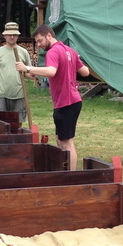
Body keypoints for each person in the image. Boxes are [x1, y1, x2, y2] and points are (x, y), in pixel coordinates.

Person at [15, 24, 89, 170]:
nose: (39, 45)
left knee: (67, 142)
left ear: (49, 35)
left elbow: (51, 71)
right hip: (69, 101)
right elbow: (85, 71)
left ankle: (71, 176)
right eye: (37, 42)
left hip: (67, 102)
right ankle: (64, 169)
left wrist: (27, 68)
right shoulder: (70, 51)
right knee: (60, 139)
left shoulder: (53, 52)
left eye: (40, 40)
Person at [0, 21, 32, 120]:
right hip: (1, 94)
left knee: (17, 122)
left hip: (19, 94)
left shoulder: (23, 52)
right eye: (9, 34)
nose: (12, 37)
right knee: (1, 123)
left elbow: (28, 72)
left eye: (14, 35)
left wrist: (35, 75)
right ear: (5, 35)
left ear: (18, 36)